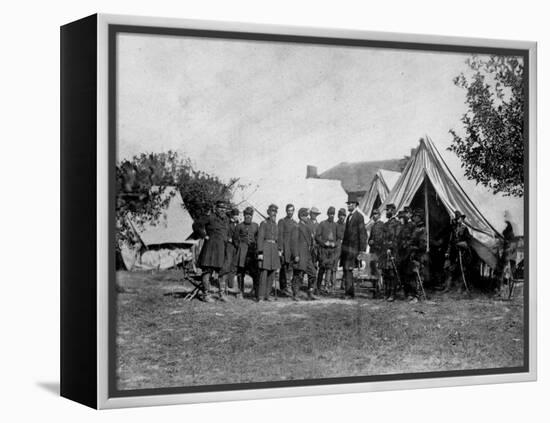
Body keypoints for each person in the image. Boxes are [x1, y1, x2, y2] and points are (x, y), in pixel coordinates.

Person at [197, 201, 230, 302]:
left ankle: (222, 294)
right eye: (220, 208)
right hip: (210, 249)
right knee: (207, 271)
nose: (222, 210)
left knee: (223, 271)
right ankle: (206, 295)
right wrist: (204, 235)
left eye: (224, 208)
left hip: (221, 249)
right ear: (216, 208)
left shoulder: (226, 219)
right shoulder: (210, 217)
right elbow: (196, 225)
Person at [340, 194, 367, 299]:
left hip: (353, 250)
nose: (349, 205)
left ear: (355, 204)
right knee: (346, 271)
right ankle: (349, 293)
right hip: (347, 250)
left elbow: (362, 234)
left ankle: (349, 293)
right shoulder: (348, 217)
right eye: (348, 204)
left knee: (349, 270)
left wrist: (361, 250)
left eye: (350, 204)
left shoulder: (359, 217)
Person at [290, 208, 317, 301]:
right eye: (305, 215)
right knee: (298, 275)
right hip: (300, 255)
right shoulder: (296, 227)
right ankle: (295, 294)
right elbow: (294, 243)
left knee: (313, 273)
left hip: (307, 255)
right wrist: (296, 255)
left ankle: (310, 292)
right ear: (301, 216)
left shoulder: (307, 227)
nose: (307, 217)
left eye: (307, 215)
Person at [442, 211, 472, 293]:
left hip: (462, 253)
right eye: (458, 218)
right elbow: (450, 241)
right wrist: (448, 251)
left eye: (461, 218)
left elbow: (468, 241)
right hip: (454, 252)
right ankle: (447, 287)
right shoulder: (453, 229)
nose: (460, 220)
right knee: (449, 269)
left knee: (462, 269)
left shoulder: (465, 229)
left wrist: (461, 244)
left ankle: (461, 287)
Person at [257, 204, 281, 301]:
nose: (274, 213)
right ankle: (261, 296)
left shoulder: (275, 225)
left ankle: (267, 295)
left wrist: (279, 250)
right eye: (272, 211)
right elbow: (260, 238)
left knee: (272, 273)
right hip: (266, 248)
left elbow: (278, 239)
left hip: (274, 249)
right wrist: (260, 252)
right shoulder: (264, 223)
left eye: (275, 212)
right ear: (268, 212)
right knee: (264, 273)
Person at [234, 207, 259, 299]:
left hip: (252, 253)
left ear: (252, 216)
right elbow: (235, 240)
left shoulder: (256, 226)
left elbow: (257, 238)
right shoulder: (239, 226)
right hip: (242, 253)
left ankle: (256, 291)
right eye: (246, 215)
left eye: (250, 215)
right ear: (244, 216)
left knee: (255, 273)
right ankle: (240, 291)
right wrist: (241, 246)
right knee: (241, 272)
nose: (248, 217)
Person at [406, 208, 428, 302]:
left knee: (419, 275)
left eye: (416, 216)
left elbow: (423, 244)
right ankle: (417, 294)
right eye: (414, 216)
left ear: (419, 217)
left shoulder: (422, 229)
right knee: (415, 275)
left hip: (420, 255)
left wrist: (414, 248)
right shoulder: (415, 228)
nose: (414, 218)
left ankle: (419, 296)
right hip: (414, 254)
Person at [315, 207, 338, 293]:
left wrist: (334, 244)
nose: (331, 215)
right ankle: (318, 286)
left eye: (333, 214)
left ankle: (326, 287)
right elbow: (317, 236)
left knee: (329, 269)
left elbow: (339, 238)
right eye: (330, 214)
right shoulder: (322, 224)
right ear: (327, 214)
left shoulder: (336, 225)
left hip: (332, 251)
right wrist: (324, 243)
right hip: (324, 250)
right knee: (322, 268)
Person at [219, 208, 240, 300]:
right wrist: (228, 239)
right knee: (226, 265)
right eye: (235, 215)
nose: (236, 216)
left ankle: (230, 285)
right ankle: (222, 290)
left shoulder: (239, 224)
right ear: (232, 215)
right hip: (229, 246)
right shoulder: (227, 223)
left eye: (237, 215)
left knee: (234, 266)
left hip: (236, 247)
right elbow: (224, 234)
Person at [381, 203, 401, 302]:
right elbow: (383, 237)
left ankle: (393, 294)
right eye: (386, 210)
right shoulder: (385, 224)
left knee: (392, 272)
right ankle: (387, 292)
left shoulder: (397, 224)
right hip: (385, 252)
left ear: (393, 211)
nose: (387, 212)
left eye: (388, 210)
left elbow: (396, 238)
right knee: (386, 272)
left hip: (393, 252)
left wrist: (390, 247)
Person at [278, 204, 297, 296]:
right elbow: (280, 236)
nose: (290, 212)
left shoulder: (295, 223)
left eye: (292, 210)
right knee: (284, 268)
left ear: (294, 211)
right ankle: (284, 288)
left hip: (292, 249)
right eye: (289, 210)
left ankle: (287, 287)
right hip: (285, 249)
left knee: (290, 268)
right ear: (286, 211)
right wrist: (280, 249)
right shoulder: (282, 221)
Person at [396, 208, 414, 299]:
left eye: (402, 218)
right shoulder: (401, 227)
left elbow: (412, 238)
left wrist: (406, 244)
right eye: (400, 218)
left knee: (408, 273)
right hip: (401, 253)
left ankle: (410, 293)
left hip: (408, 252)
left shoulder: (411, 226)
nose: (401, 220)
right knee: (402, 273)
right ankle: (405, 292)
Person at [367, 208, 384, 298]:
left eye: (376, 214)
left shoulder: (382, 225)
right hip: (372, 251)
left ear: (379, 215)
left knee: (378, 271)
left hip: (379, 251)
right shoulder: (373, 226)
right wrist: (369, 242)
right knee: (373, 270)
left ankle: (380, 290)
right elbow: (370, 238)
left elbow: (382, 239)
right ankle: (375, 290)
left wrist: (375, 242)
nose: (374, 216)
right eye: (373, 214)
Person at [335, 208, 347, 289]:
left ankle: (343, 284)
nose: (342, 217)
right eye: (341, 215)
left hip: (345, 248)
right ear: (338, 216)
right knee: (334, 265)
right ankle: (332, 284)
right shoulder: (335, 225)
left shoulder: (346, 225)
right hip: (337, 247)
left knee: (345, 266)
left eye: (343, 215)